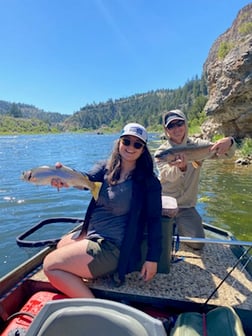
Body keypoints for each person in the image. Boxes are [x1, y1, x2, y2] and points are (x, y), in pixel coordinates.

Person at [43, 123, 162, 298]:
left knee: (49, 265)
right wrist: (63, 176)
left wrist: (153, 259)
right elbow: (86, 180)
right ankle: (90, 270)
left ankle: (93, 305)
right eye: (126, 141)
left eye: (137, 144)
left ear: (143, 149)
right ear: (119, 142)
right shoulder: (104, 168)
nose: (130, 147)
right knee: (61, 245)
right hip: (93, 233)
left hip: (112, 246)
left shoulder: (149, 182)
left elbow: (154, 221)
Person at [154, 109, 236, 250]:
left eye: (179, 123)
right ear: (166, 130)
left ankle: (178, 226)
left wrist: (229, 142)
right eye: (171, 126)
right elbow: (169, 176)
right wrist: (180, 168)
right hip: (164, 206)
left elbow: (227, 155)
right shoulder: (161, 153)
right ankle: (171, 225)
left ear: (185, 124)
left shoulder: (199, 145)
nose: (176, 128)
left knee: (198, 244)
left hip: (186, 207)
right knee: (157, 240)